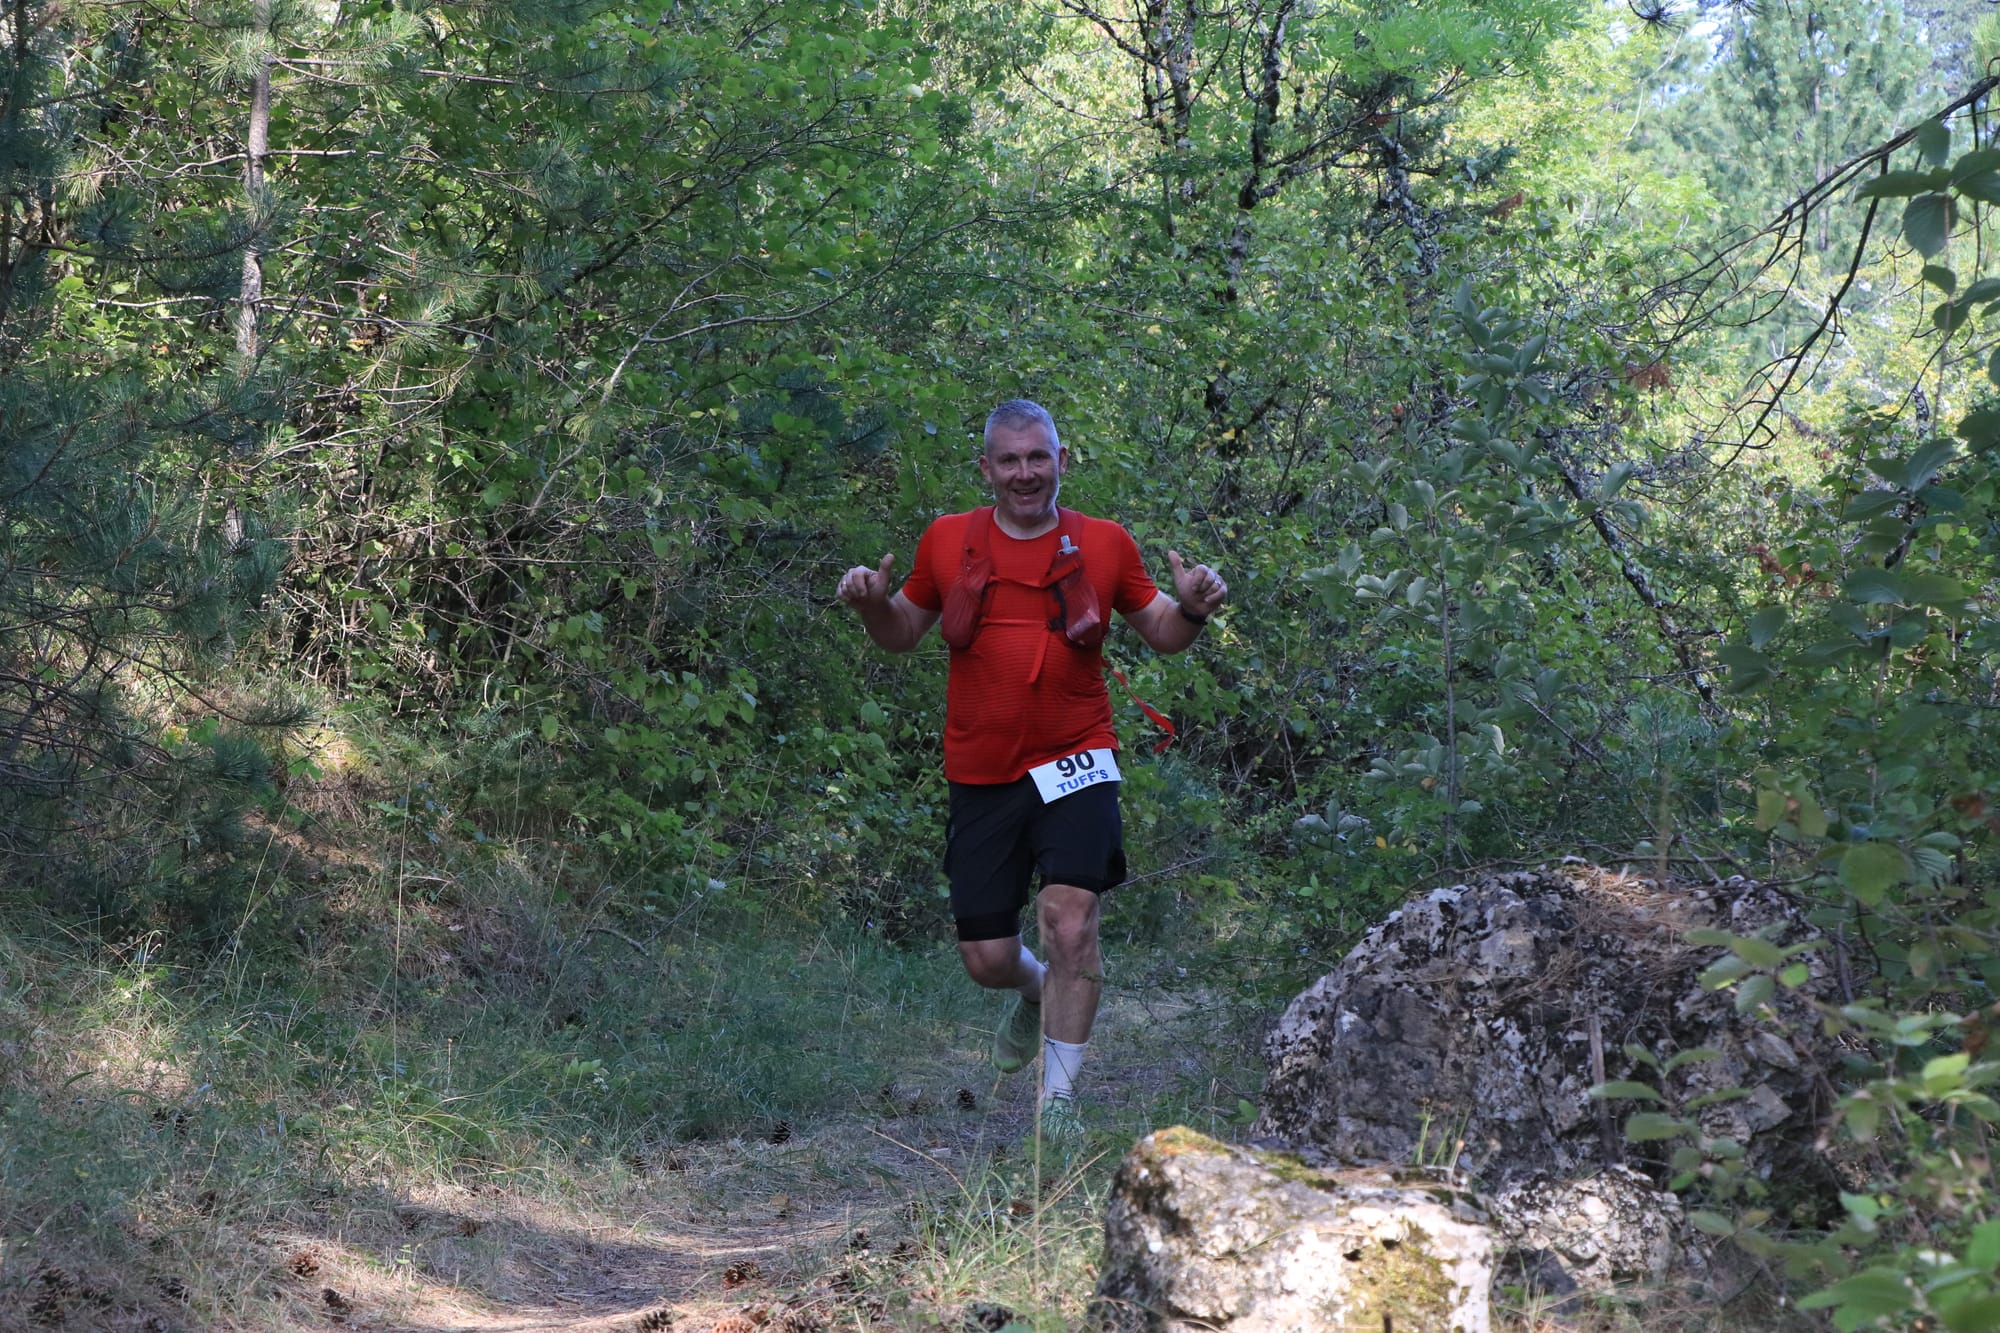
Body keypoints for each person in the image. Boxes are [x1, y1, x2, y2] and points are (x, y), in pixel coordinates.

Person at [835, 400, 1227, 1134]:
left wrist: (1194, 607)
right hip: (982, 769)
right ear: (985, 467)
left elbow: (1163, 632)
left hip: (1079, 756)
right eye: (1009, 459)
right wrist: (870, 605)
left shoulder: (1106, 543)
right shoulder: (949, 541)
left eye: (1037, 457)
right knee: (985, 956)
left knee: (1069, 919)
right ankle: (1037, 988)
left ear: (1062, 460)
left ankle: (1058, 1106)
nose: (1024, 473)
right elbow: (903, 632)